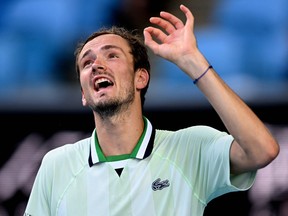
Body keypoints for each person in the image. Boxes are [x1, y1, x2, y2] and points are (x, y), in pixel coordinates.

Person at [24, 4, 279, 216]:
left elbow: (262, 150)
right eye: (87, 62)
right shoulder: (54, 165)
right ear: (83, 94)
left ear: (141, 78)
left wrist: (192, 61)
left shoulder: (190, 148)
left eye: (111, 55)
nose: (96, 65)